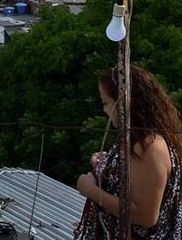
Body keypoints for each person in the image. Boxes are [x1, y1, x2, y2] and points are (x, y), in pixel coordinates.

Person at [75, 65, 182, 239]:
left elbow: (146, 216)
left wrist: (90, 190)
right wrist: (107, 163)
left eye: (106, 103)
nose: (104, 110)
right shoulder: (135, 139)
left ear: (124, 102)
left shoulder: (150, 147)